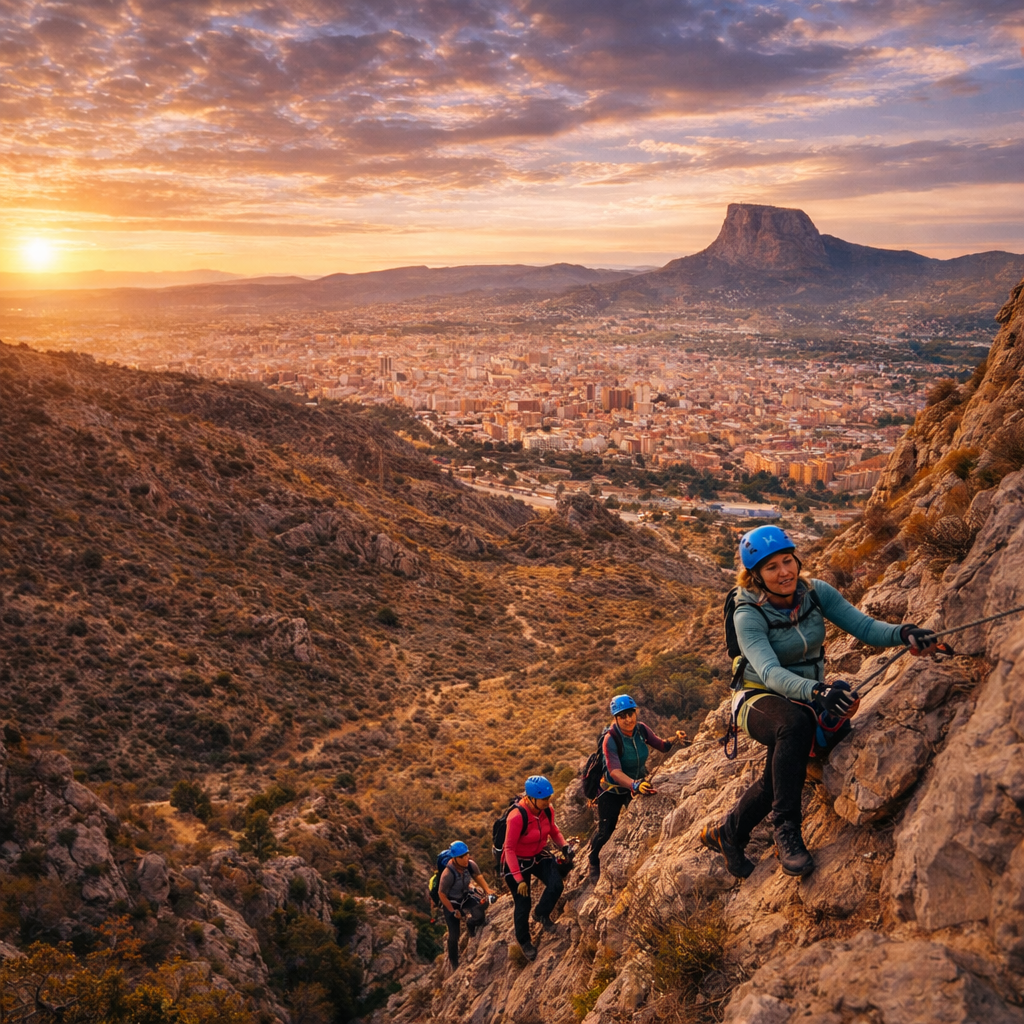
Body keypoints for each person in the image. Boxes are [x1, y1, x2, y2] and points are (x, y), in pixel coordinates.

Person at [702, 525, 937, 878]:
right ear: (755, 576)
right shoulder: (747, 612)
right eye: (771, 568)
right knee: (793, 726)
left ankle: (728, 834)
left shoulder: (814, 593)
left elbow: (866, 627)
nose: (785, 572)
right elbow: (768, 672)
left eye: (788, 561)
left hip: (805, 695)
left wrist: (904, 633)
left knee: (778, 775)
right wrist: (818, 692)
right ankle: (787, 832)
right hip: (757, 698)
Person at [587, 694, 686, 884]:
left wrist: (675, 738)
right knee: (606, 830)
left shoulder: (641, 730)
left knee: (644, 821)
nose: (628, 719)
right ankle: (593, 859)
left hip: (636, 783)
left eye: (631, 713)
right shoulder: (611, 739)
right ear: (616, 718)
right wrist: (634, 785)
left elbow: (662, 746)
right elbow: (615, 772)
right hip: (612, 791)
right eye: (623, 716)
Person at [501, 775, 572, 962]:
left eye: (549, 798)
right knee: (523, 903)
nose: (548, 802)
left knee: (556, 885)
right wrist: (518, 879)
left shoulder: (547, 810)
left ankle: (541, 914)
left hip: (538, 854)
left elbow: (553, 831)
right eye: (544, 799)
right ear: (531, 798)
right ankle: (524, 942)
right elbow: (508, 848)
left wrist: (564, 846)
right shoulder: (516, 817)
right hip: (516, 861)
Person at [436, 840, 497, 970]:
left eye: (466, 854)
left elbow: (478, 877)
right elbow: (442, 894)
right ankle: (454, 962)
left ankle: (471, 923)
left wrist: (487, 890)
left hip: (465, 897)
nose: (465, 859)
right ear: (454, 858)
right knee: (454, 935)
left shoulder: (470, 865)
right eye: (461, 857)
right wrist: (453, 911)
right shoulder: (447, 874)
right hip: (451, 903)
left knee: (481, 914)